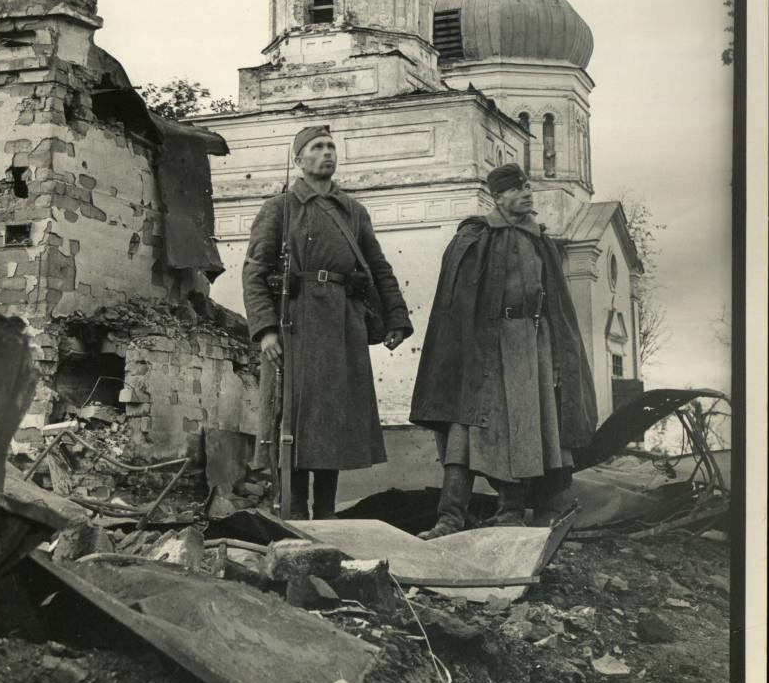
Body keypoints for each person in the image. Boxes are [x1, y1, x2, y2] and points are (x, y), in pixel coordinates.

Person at [409, 163, 597, 537]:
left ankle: (510, 514)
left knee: (523, 429)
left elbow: (557, 305)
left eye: (528, 187)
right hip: (483, 348)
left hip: (530, 345)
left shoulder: (540, 240)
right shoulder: (476, 237)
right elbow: (455, 301)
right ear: (497, 197)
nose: (527, 193)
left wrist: (558, 355)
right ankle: (449, 518)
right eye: (517, 189)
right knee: (465, 432)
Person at [242, 125, 412, 519]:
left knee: (333, 418)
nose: (327, 153)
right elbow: (254, 271)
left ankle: (327, 509)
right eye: (317, 147)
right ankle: (296, 508)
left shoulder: (353, 211)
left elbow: (379, 267)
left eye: (331, 146)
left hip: (342, 324)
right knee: (293, 417)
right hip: (294, 324)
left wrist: (396, 319)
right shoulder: (279, 208)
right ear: (299, 160)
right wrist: (266, 329)